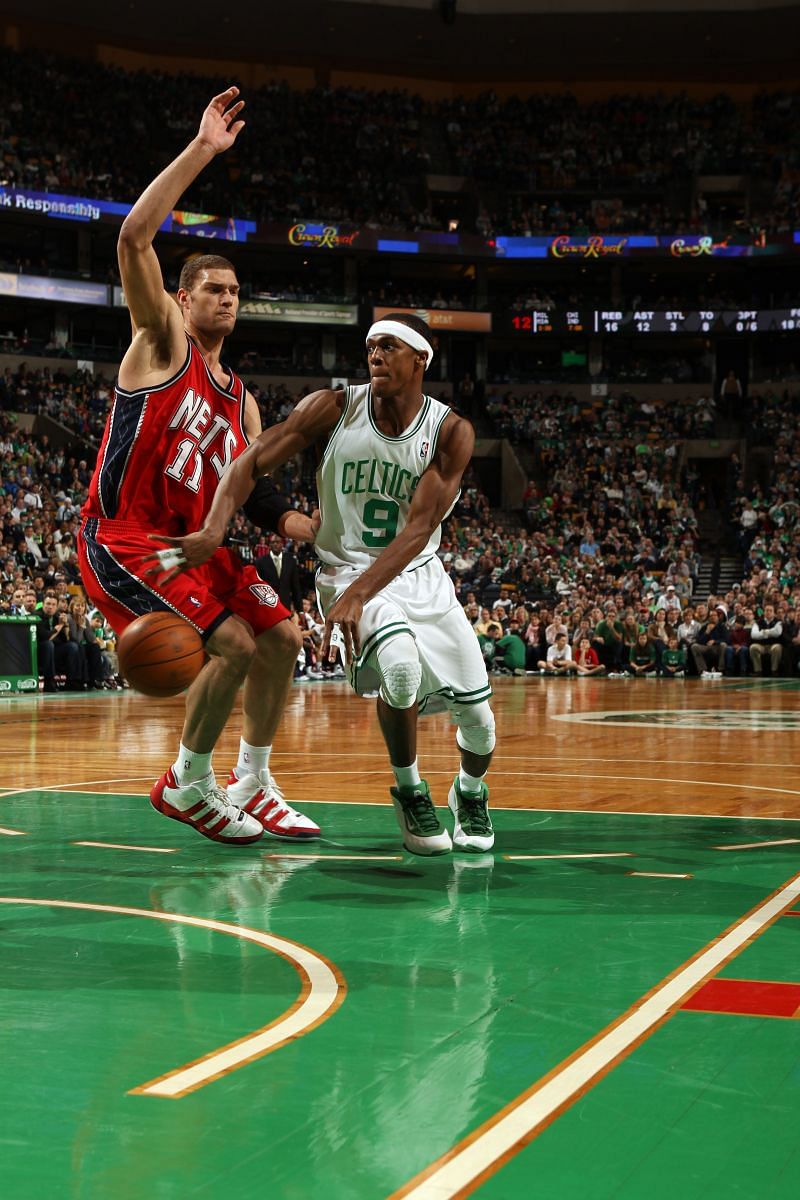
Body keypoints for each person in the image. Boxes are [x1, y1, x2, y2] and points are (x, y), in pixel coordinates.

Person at [150, 312, 496, 857]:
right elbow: (251, 458)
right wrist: (216, 524)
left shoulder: (451, 431)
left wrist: (364, 594)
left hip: (419, 575)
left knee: (481, 724)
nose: (376, 355)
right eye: (371, 346)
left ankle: (469, 791)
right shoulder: (334, 408)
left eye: (389, 346)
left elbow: (420, 527)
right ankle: (410, 792)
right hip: (348, 569)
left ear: (420, 359)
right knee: (400, 671)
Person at [78, 87, 320, 846]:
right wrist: (203, 151)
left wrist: (292, 520)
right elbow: (131, 238)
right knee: (234, 644)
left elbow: (253, 489)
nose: (227, 299)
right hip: (128, 538)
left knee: (281, 636)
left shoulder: (241, 398)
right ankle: (186, 782)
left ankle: (253, 779)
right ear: (180, 300)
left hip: (196, 542)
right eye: (212, 289)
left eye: (236, 292)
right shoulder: (160, 345)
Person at [255, 533, 303, 613]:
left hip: (285, 606)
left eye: (277, 542)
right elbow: (258, 587)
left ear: (282, 544)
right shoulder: (261, 562)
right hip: (267, 607)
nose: (275, 544)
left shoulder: (291, 561)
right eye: (272, 542)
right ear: (269, 545)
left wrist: (300, 610)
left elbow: (296, 587)